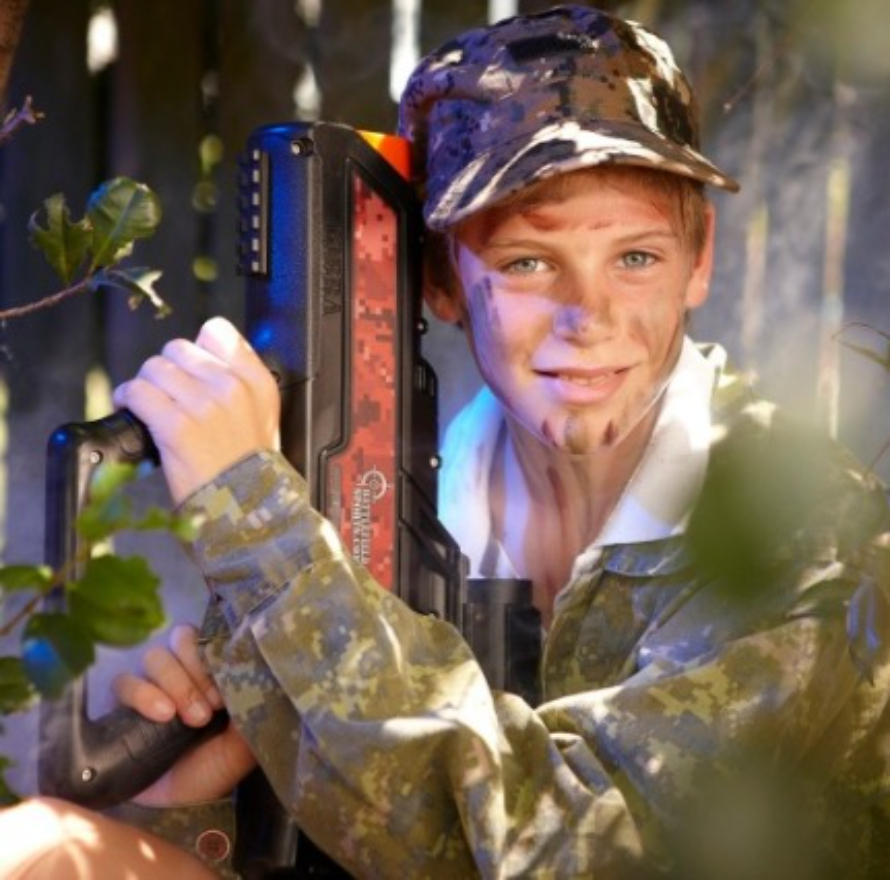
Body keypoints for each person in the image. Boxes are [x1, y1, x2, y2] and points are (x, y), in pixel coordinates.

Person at [2, 5, 889, 878]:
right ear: (443, 284)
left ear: (699, 260)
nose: (589, 318)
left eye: (636, 258)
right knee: (42, 852)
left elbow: (568, 852)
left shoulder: (797, 527)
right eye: (527, 263)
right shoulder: (398, 500)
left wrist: (256, 526)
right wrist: (196, 804)